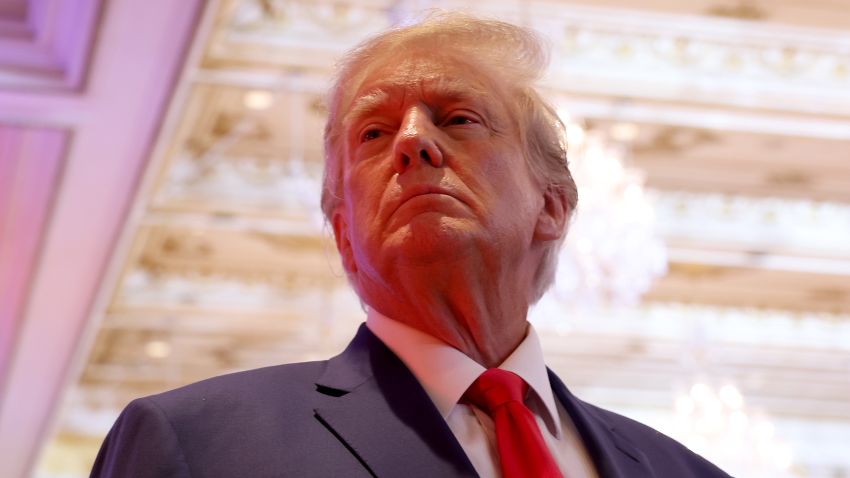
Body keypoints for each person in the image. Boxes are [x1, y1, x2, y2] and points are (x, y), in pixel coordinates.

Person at [91, 13, 731, 478]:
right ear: (343, 232)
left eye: (459, 118)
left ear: (552, 205)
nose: (412, 142)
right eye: (372, 133)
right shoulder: (197, 445)